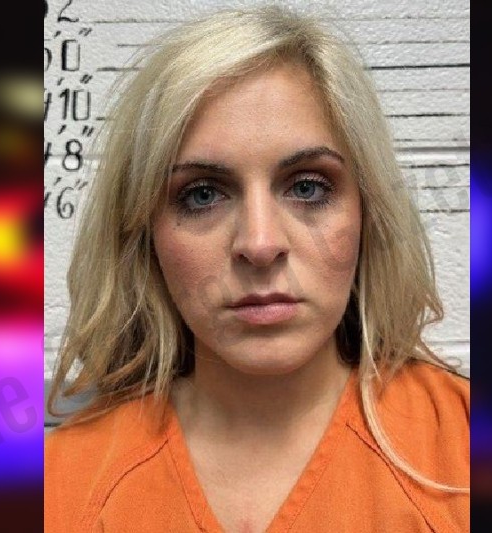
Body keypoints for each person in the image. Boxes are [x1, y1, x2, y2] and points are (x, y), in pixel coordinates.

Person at [45, 6, 469, 532]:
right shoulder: (62, 486)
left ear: (368, 211)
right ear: (144, 234)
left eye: (308, 187)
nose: (260, 245)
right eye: (202, 195)